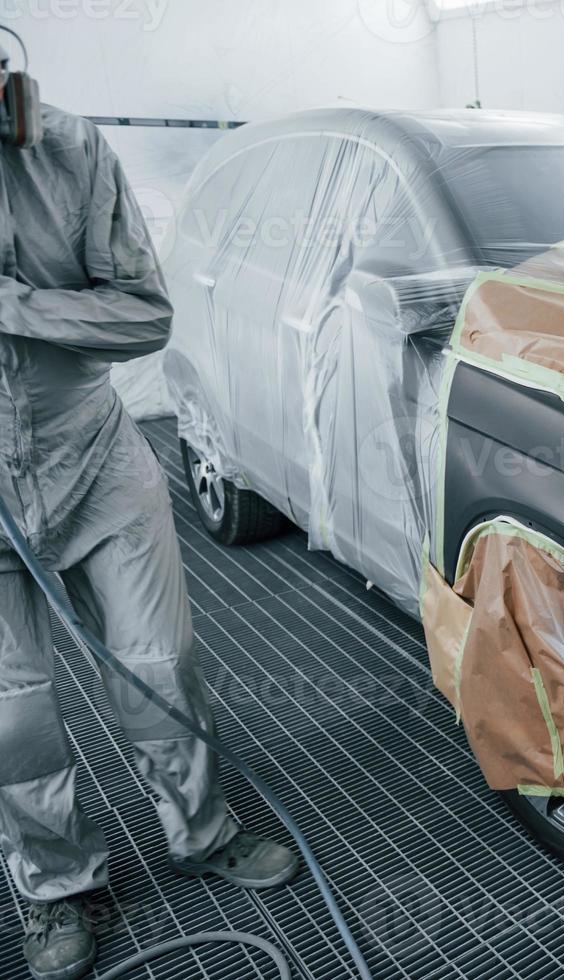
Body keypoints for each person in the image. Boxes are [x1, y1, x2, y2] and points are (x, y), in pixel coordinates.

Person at [0, 44, 297, 980]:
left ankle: (203, 830)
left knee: (156, 666)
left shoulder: (68, 152)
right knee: (13, 717)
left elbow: (142, 316)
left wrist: (16, 306)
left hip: (92, 458)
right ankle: (54, 888)